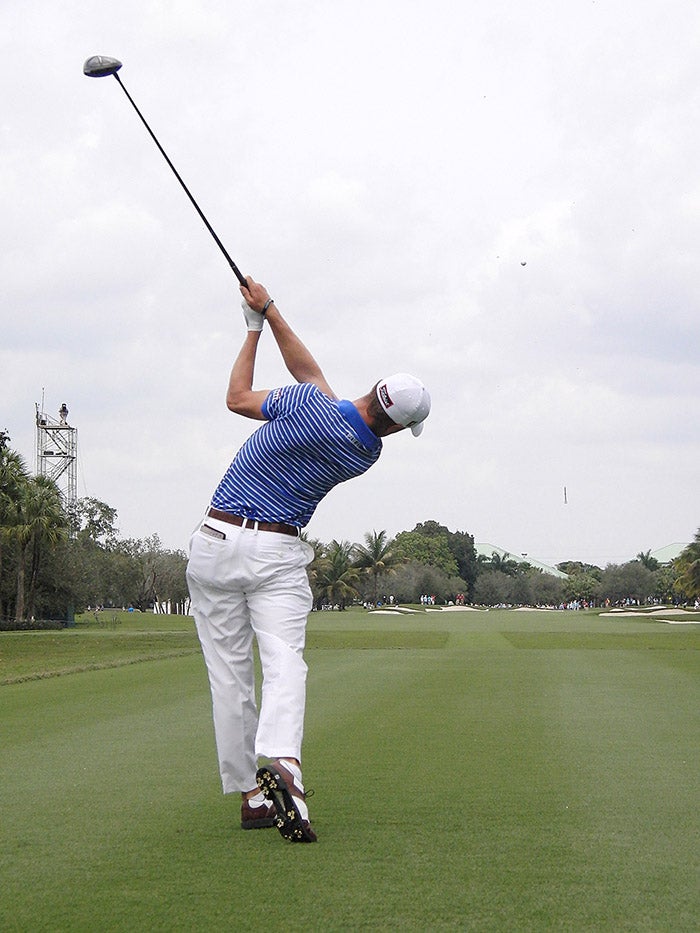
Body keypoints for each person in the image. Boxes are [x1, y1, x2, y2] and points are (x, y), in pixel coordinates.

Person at [186, 276, 430, 843]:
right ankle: (285, 764)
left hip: (214, 543)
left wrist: (257, 323)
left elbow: (239, 397)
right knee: (284, 660)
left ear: (372, 389)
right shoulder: (363, 452)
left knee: (229, 678)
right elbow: (312, 375)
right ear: (394, 426)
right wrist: (268, 313)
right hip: (275, 554)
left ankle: (251, 795)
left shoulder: (306, 402)